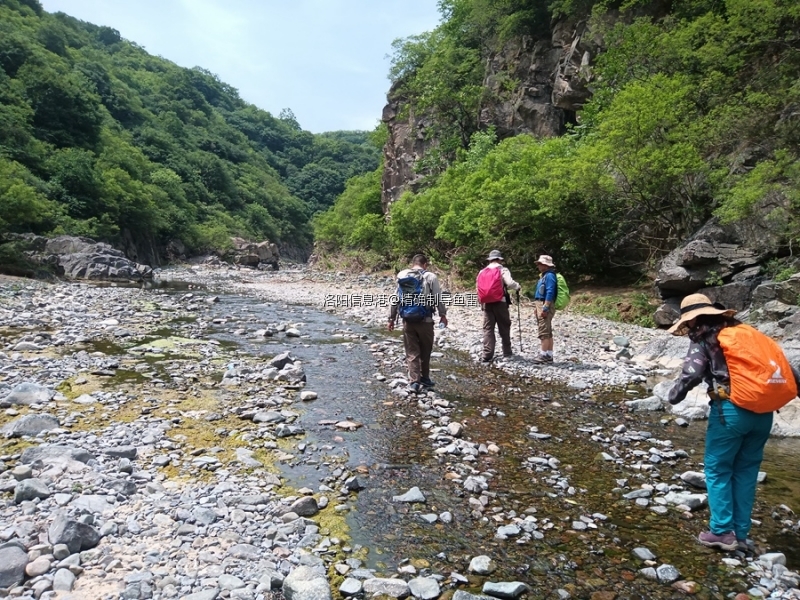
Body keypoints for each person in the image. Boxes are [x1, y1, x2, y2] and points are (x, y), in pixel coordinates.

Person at [667, 293, 798, 553]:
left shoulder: (704, 337)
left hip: (730, 410)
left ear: (692, 320)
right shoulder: (748, 334)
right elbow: (787, 370)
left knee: (718, 470)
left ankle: (721, 532)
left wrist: (674, 396)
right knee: (746, 471)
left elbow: (692, 373)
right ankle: (742, 534)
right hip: (763, 413)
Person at [388, 254, 448, 394]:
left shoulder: (402, 275)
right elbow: (438, 298)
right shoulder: (431, 277)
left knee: (412, 351)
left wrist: (391, 318)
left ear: (413, 263)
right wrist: (443, 315)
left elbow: (395, 298)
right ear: (425, 264)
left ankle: (414, 381)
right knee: (426, 350)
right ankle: (425, 378)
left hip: (407, 320)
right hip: (425, 320)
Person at [477, 250, 520, 362]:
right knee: (504, 326)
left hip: (486, 303)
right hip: (500, 302)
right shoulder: (502, 269)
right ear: (499, 259)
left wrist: (481, 303)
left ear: (490, 260)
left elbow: (479, 288)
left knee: (488, 329)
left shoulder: (482, 272)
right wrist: (517, 287)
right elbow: (510, 283)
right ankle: (507, 353)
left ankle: (487, 355)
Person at [532, 254, 558, 364]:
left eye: (540, 264)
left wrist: (545, 307)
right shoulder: (545, 275)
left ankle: (543, 355)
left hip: (544, 304)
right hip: (540, 303)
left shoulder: (549, 276)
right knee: (547, 329)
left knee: (543, 330)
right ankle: (549, 354)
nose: (538, 265)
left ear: (546, 265)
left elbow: (550, 292)